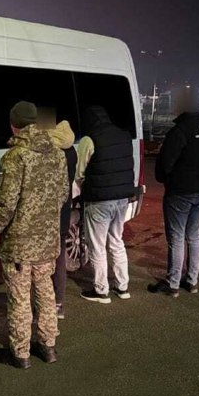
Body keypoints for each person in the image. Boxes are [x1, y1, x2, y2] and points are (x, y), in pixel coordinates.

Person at [0, 101, 69, 369]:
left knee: (20, 298)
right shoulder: (57, 153)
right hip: (47, 241)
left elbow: (6, 202)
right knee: (45, 292)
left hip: (20, 244)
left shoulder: (15, 157)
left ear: (14, 124)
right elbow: (63, 195)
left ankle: (20, 353)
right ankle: (48, 347)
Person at [148, 88, 199, 297]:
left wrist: (165, 178)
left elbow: (166, 163)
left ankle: (173, 284)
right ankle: (192, 280)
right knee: (193, 235)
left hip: (179, 191)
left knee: (176, 237)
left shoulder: (180, 131)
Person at [76, 105, 136, 303]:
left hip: (99, 200)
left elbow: (80, 172)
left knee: (98, 247)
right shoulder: (124, 135)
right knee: (117, 241)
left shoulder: (89, 139)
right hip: (122, 199)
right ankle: (122, 287)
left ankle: (101, 291)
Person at [46, 120, 78, 318]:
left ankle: (45, 305)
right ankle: (58, 304)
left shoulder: (49, 151)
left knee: (42, 264)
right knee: (59, 261)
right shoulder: (71, 150)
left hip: (47, 214)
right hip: (63, 212)